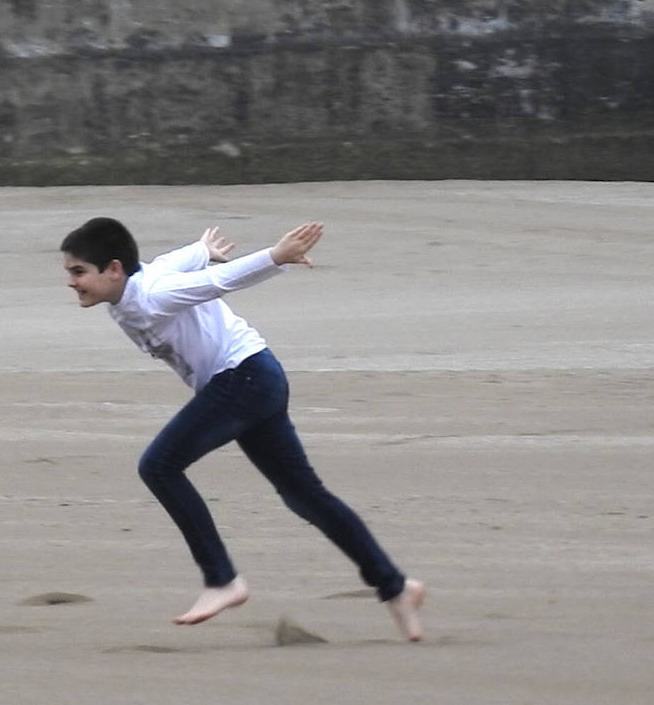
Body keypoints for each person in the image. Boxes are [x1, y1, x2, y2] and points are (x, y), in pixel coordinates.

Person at [59, 217, 425, 641]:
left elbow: (218, 281)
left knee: (158, 467)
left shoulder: (153, 296)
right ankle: (397, 588)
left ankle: (222, 581)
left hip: (242, 379)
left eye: (78, 272)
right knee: (305, 496)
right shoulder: (140, 284)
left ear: (115, 269)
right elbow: (179, 259)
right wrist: (203, 248)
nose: (71, 282)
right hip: (257, 377)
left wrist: (275, 257)